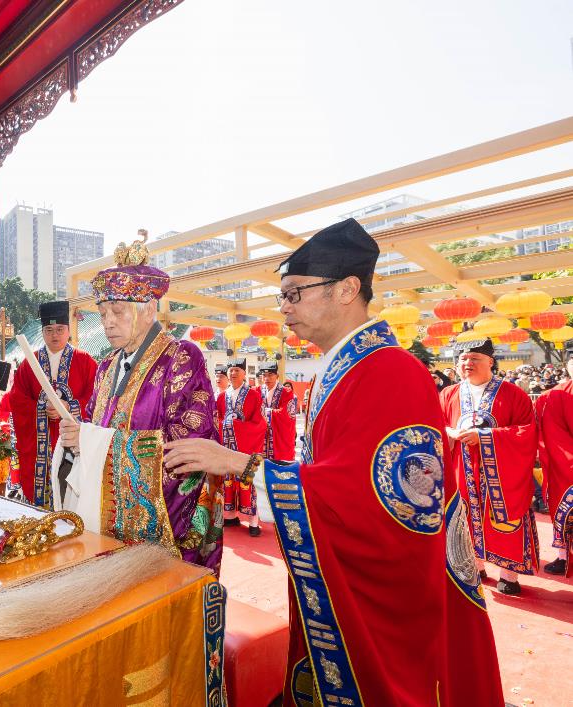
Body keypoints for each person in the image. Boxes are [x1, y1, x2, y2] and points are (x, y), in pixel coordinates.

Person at [164, 218, 503, 706]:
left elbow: (376, 501)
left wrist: (241, 463)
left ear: (347, 289)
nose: (283, 309)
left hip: (388, 607)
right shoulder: (346, 367)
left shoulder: (392, 371)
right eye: (282, 296)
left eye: (295, 294)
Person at [56, 231, 222, 571]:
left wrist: (94, 442)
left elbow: (189, 446)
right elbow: (93, 429)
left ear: (148, 310)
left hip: (164, 530)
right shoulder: (105, 368)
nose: (107, 323)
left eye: (117, 311)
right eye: (102, 314)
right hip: (106, 519)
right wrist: (77, 439)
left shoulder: (181, 357)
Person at [441, 338, 539, 595]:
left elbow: (526, 430)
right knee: (464, 517)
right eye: (462, 359)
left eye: (474, 359)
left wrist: (485, 436)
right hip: (461, 469)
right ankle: (475, 565)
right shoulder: (448, 394)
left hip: (502, 474)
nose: (467, 364)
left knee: (504, 518)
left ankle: (509, 574)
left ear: (490, 362)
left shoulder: (513, 394)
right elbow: (434, 424)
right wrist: (450, 432)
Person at [9, 301, 97, 508]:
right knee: (41, 502)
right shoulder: (30, 363)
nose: (54, 335)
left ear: (68, 331)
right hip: (40, 444)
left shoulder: (86, 361)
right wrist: (41, 408)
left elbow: (97, 397)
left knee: (72, 496)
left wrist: (70, 407)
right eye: (48, 330)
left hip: (73, 444)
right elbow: (17, 399)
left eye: (59, 329)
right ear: (42, 332)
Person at [533, 354, 573, 577]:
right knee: (562, 510)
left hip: (564, 465)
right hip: (563, 465)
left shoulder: (550, 397)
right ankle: (564, 556)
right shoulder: (551, 397)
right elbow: (551, 436)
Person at [217, 358, 266, 536]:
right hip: (227, 447)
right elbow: (218, 420)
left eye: (237, 369)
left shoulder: (253, 395)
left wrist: (235, 426)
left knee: (248, 482)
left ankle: (253, 522)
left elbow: (260, 424)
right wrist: (226, 425)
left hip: (247, 447)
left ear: (245, 373)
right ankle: (230, 516)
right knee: (227, 480)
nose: (233, 373)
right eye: (230, 370)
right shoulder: (222, 396)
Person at [260, 362, 297, 463]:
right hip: (262, 436)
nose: (267, 378)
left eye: (270, 375)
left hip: (279, 438)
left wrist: (264, 412)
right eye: (264, 375)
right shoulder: (257, 391)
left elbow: (287, 415)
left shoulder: (286, 392)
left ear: (277, 376)